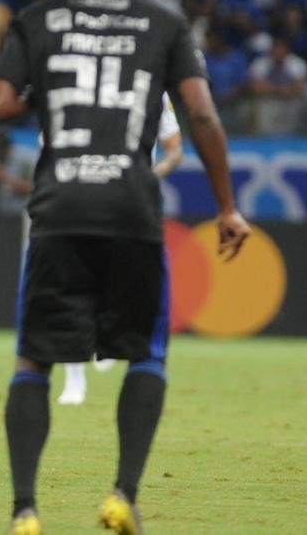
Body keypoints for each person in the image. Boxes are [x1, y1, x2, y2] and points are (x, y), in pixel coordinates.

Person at [0, 0, 251, 535]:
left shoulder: (39, 20)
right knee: (146, 356)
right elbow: (203, 117)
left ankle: (25, 509)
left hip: (58, 210)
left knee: (32, 363)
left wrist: (44, 87)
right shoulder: (163, 23)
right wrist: (227, 207)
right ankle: (123, 495)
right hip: (132, 210)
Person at [56, 92, 184, 407]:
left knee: (126, 285)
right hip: (80, 199)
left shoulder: (154, 86)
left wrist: (153, 174)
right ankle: (74, 379)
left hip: (132, 204)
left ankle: (108, 337)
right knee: (72, 288)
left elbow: (174, 147)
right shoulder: (77, 80)